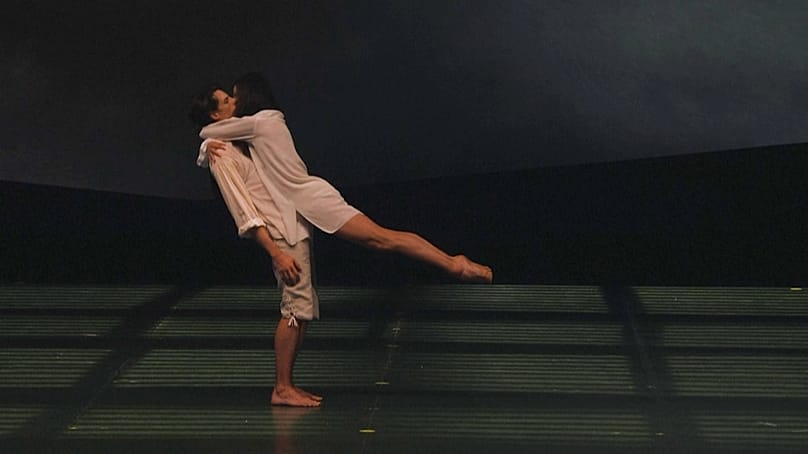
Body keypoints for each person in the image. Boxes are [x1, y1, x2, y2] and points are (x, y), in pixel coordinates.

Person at [198, 73, 493, 283]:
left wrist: (204, 148)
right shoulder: (264, 122)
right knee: (381, 239)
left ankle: (456, 265)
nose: (233, 104)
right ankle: (455, 264)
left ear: (249, 97)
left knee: (382, 239)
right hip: (303, 201)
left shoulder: (258, 124)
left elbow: (207, 131)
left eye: (234, 97)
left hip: (311, 197)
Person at [189, 85, 322, 407]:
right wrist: (276, 253)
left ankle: (287, 384)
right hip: (279, 235)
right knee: (294, 308)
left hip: (291, 227)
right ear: (214, 113)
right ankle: (282, 387)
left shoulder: (242, 139)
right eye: (227, 100)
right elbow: (242, 209)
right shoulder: (221, 151)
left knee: (301, 309)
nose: (236, 101)